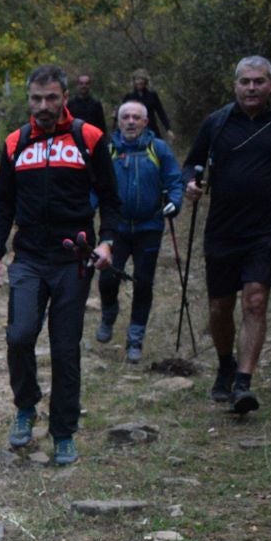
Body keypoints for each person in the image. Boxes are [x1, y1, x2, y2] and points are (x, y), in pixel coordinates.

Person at [0, 64, 120, 465]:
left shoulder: (88, 137)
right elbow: (2, 204)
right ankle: (26, 406)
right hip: (28, 257)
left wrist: (108, 241)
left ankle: (64, 432)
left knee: (65, 348)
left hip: (72, 260)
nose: (43, 106)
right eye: (35, 99)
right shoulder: (15, 142)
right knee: (19, 335)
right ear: (28, 99)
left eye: (50, 99)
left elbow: (110, 198)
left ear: (64, 98)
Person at [182, 55, 271, 414]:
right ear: (235, 85)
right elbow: (191, 163)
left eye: (259, 81)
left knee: (255, 299)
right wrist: (190, 184)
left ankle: (243, 382)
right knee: (220, 307)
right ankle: (226, 363)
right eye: (245, 81)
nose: (251, 88)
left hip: (268, 227)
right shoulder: (216, 123)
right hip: (223, 229)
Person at [96, 98, 184, 364]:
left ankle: (135, 338)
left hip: (149, 226)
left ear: (146, 122)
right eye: (126, 117)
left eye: (137, 117)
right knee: (108, 277)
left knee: (144, 282)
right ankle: (109, 312)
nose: (131, 122)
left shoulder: (158, 149)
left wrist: (174, 202)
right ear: (118, 121)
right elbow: (94, 184)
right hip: (117, 227)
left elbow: (174, 180)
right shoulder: (107, 149)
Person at [121, 68, 172, 139]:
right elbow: (122, 115)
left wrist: (168, 129)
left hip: (152, 129)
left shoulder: (152, 95)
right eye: (137, 79)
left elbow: (161, 112)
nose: (139, 82)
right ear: (134, 82)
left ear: (145, 82)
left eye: (142, 80)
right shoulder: (129, 97)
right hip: (136, 131)